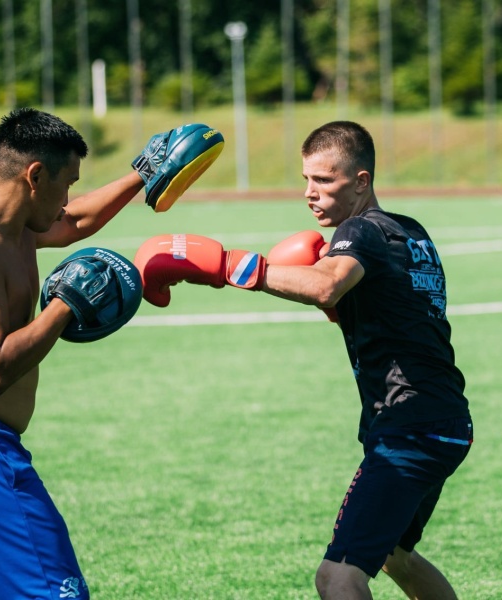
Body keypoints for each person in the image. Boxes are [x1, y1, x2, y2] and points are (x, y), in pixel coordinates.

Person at [135, 120, 473, 599]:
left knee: (337, 576)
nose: (310, 193)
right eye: (306, 179)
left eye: (324, 180)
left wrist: (227, 265)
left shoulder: (360, 230)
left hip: (408, 426)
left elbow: (326, 285)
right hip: (446, 420)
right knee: (395, 554)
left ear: (361, 181)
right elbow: (393, 311)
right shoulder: (410, 233)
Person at [0, 108, 221, 600]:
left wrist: (141, 174)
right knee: (55, 591)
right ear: (34, 176)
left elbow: (74, 222)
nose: (68, 198)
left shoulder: (17, 226)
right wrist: (67, 303)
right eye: (66, 183)